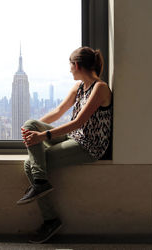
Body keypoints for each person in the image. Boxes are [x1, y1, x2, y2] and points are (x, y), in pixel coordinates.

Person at [16, 46, 113, 244]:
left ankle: (50, 219)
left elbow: (78, 123)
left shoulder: (100, 88)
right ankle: (41, 183)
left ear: (76, 65)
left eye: (70, 65)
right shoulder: (79, 87)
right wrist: (34, 131)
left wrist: (42, 136)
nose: (69, 69)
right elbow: (59, 111)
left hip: (90, 147)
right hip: (74, 137)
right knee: (29, 124)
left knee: (29, 166)